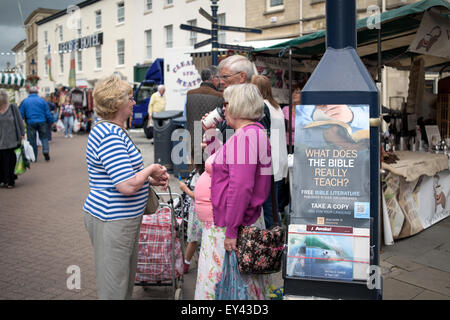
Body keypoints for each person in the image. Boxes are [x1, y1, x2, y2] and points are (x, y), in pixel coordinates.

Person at [83, 75, 170, 300]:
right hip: (113, 220)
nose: (133, 103)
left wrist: (150, 180)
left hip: (120, 219)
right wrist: (150, 170)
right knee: (114, 287)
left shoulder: (112, 131)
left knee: (122, 281)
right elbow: (126, 186)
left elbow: (125, 176)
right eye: (130, 99)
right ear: (116, 103)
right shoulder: (110, 135)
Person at [195, 83, 272, 300]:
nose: (223, 109)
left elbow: (240, 188)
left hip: (230, 224)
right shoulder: (253, 133)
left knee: (225, 285)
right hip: (239, 220)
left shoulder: (245, 137)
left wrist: (231, 231)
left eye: (226, 104)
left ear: (237, 105)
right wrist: (210, 132)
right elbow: (223, 163)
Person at [251, 75, 288, 227]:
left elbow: (264, 135)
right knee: (274, 206)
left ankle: (274, 240)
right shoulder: (277, 106)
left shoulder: (263, 107)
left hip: (270, 161)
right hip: (280, 159)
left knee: (269, 208)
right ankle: (278, 234)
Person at [215, 55, 271, 143]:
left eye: (225, 77)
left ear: (242, 76)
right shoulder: (228, 102)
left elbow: (257, 146)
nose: (221, 82)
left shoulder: (255, 106)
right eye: (220, 77)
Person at [184, 66, 223, 161]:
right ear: (213, 78)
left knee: (194, 171)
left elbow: (185, 116)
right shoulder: (219, 96)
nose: (220, 81)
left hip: (192, 138)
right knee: (210, 170)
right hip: (210, 140)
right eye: (218, 77)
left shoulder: (190, 94)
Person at [178, 162, 204, 274]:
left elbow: (197, 196)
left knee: (193, 239)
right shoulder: (199, 173)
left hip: (198, 210)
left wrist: (185, 188)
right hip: (199, 210)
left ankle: (186, 264)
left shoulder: (200, 176)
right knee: (197, 239)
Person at [19, 87, 55, 161]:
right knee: (44, 137)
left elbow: (21, 114)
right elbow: (47, 113)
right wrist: (51, 121)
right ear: (37, 93)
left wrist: (20, 122)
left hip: (30, 122)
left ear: (29, 92)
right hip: (42, 121)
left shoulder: (25, 101)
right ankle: (45, 151)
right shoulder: (42, 101)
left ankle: (34, 157)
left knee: (32, 140)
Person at [0, 89, 25, 189]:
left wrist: (22, 133)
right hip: (1, 141)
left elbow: (19, 120)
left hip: (12, 139)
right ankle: (3, 179)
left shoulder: (13, 107)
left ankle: (10, 181)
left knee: (11, 161)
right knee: (2, 161)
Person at [282, 84, 301, 153]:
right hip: (287, 146)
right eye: (293, 92)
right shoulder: (285, 109)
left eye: (297, 92)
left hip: (302, 146)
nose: (294, 94)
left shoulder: (306, 110)